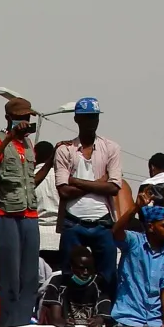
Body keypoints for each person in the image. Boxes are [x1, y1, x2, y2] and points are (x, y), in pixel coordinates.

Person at [0, 98, 43, 326]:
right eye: (22, 117)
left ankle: (23, 324)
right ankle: (8, 325)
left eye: (28, 118)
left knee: (30, 278)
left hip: (30, 215)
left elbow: (31, 180)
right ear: (10, 118)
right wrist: (8, 137)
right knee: (11, 277)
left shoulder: (29, 145)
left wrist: (51, 162)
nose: (25, 122)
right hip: (6, 214)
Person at [55, 98, 125, 298]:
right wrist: (98, 183)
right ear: (76, 119)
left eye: (94, 117)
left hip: (102, 221)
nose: (91, 122)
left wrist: (75, 181)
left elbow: (113, 188)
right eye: (86, 118)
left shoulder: (111, 148)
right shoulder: (65, 150)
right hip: (73, 220)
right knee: (69, 275)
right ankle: (70, 312)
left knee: (108, 275)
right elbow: (64, 192)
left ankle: (105, 313)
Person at [112, 204, 164, 327]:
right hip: (127, 319)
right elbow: (116, 232)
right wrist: (135, 207)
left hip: (155, 322)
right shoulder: (134, 241)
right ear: (151, 227)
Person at [38, 244, 113, 327]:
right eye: (81, 268)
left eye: (89, 268)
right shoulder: (58, 282)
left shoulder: (100, 284)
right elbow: (55, 318)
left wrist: (98, 321)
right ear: (72, 267)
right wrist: (64, 323)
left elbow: (102, 315)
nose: (85, 272)